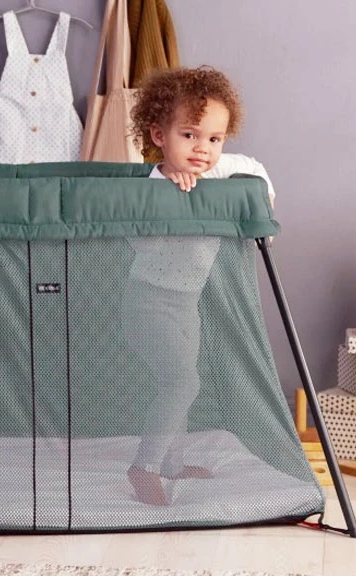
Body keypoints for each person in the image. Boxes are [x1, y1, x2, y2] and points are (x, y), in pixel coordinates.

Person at [121, 65, 275, 506]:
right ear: (158, 135)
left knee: (185, 380)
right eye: (189, 136)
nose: (203, 149)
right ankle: (144, 466)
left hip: (188, 301)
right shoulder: (154, 184)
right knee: (180, 382)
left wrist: (260, 196)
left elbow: (256, 171)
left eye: (214, 139)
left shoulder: (221, 170)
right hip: (149, 300)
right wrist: (171, 200)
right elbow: (138, 240)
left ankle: (173, 461)